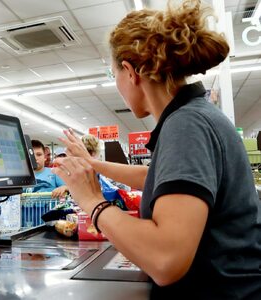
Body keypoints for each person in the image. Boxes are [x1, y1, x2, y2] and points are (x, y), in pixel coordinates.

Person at [52, 1, 261, 299]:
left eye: (115, 76)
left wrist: (92, 201)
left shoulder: (187, 125)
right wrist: (93, 165)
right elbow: (158, 176)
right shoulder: (193, 116)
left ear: (130, 72)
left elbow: (166, 260)